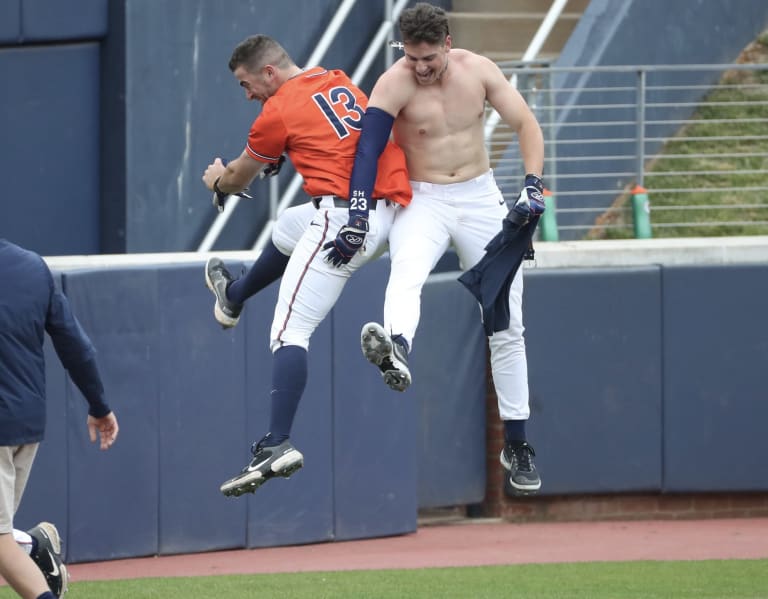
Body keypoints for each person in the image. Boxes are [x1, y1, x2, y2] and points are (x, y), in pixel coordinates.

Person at [346, 3, 546, 495]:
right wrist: (356, 210)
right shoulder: (393, 83)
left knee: (507, 321)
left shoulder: (478, 70)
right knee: (405, 272)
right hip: (424, 197)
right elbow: (367, 149)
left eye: (429, 57)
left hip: (480, 196)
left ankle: (517, 442)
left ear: (447, 44)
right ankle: (396, 349)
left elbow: (526, 124)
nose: (421, 67)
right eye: (412, 57)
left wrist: (533, 184)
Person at [201, 35, 411, 498]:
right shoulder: (334, 79)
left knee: (287, 332)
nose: (248, 94)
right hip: (383, 215)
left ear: (269, 72)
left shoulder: (275, 110)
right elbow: (334, 136)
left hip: (343, 222)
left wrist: (217, 178)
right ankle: (233, 296)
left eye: (246, 83)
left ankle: (277, 443)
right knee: (287, 225)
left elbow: (238, 176)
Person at [0, 238, 119, 598]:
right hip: (26, 424)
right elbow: (75, 346)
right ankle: (34, 547)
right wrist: (99, 405)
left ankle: (33, 549)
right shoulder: (32, 266)